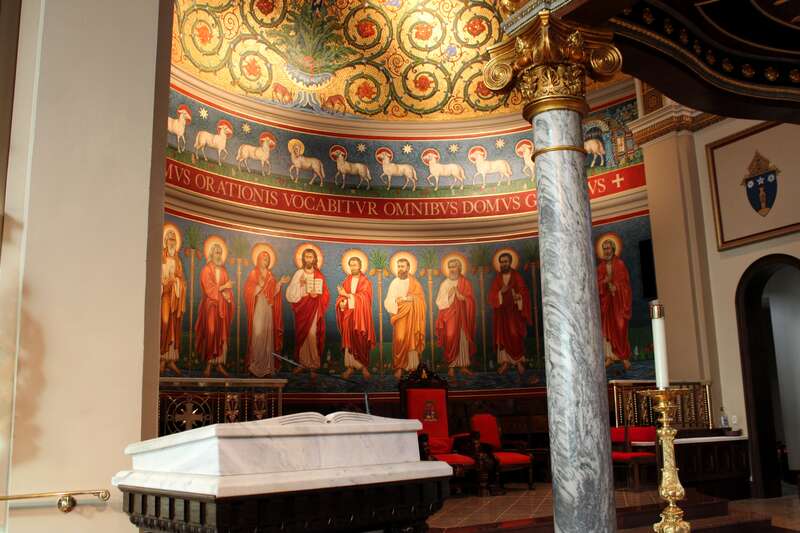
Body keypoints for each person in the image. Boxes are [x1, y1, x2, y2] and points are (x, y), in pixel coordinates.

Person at [243, 250, 289, 377]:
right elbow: (247, 290)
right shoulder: (254, 273)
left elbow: (273, 292)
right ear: (258, 259)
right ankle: (255, 365)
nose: (266, 261)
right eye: (264, 258)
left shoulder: (270, 275)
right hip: (258, 306)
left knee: (268, 336)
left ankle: (267, 367)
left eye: (268, 259)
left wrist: (280, 283)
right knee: (257, 334)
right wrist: (258, 288)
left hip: (268, 308)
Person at [285, 248, 330, 378]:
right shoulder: (299, 273)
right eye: (306, 257)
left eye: (311, 257)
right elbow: (290, 294)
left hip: (314, 309)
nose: (309, 259)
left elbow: (326, 294)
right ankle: (302, 363)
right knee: (302, 336)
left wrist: (317, 296)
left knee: (312, 335)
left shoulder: (319, 275)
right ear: (303, 259)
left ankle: (313, 365)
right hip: (302, 309)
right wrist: (301, 287)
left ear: (314, 259)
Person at [488, 252, 531, 374]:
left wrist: (519, 296)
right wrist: (500, 292)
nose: (503, 264)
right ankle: (505, 362)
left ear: (510, 262)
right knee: (502, 336)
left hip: (514, 313)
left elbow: (524, 292)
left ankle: (518, 362)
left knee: (514, 334)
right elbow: (491, 296)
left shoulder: (516, 276)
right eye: (501, 262)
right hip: (501, 314)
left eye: (505, 261)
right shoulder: (497, 279)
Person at [195, 243, 233, 377]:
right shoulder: (206, 269)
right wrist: (223, 288)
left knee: (221, 334)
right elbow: (209, 289)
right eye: (216, 252)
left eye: (220, 252)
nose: (218, 255)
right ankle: (209, 364)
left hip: (221, 307)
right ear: (211, 254)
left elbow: (228, 289)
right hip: (210, 307)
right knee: (211, 332)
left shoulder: (224, 271)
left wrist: (229, 296)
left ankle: (219, 364)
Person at [384, 258, 426, 380]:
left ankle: (413, 367)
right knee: (400, 339)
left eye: (402, 266)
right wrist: (397, 302)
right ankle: (399, 367)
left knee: (412, 340)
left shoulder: (415, 283)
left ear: (408, 268)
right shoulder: (394, 283)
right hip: (400, 315)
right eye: (399, 266)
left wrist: (408, 299)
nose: (400, 269)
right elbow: (388, 301)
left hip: (413, 316)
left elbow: (421, 300)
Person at [435, 259, 476, 378]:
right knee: (450, 337)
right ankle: (451, 367)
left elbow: (471, 300)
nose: (452, 269)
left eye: (454, 267)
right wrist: (449, 295)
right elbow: (439, 302)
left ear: (459, 268)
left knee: (463, 338)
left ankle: (463, 366)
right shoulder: (445, 283)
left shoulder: (465, 282)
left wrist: (460, 295)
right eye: (450, 267)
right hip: (449, 316)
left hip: (463, 317)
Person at [336, 256, 375, 379]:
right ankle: (350, 367)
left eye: (355, 265)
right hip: (348, 316)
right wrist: (341, 304)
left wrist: (346, 295)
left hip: (361, 318)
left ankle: (363, 367)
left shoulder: (365, 282)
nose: (353, 267)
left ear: (360, 266)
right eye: (351, 265)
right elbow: (341, 298)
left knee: (360, 339)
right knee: (349, 341)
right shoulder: (346, 281)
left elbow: (365, 298)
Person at [597, 239, 633, 370]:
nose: (606, 251)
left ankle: (623, 357)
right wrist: (604, 283)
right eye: (604, 248)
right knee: (606, 329)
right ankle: (609, 357)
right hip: (606, 305)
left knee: (620, 327)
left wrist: (616, 287)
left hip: (618, 303)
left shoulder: (620, 264)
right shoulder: (600, 267)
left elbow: (626, 285)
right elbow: (597, 285)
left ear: (613, 249)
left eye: (608, 248)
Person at [160, 229, 185, 376]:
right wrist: (164, 284)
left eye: (174, 239)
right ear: (165, 241)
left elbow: (181, 279)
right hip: (164, 297)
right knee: (164, 324)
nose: (172, 242)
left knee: (174, 328)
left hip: (175, 298)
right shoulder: (160, 258)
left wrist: (176, 282)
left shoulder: (177, 261)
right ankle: (161, 359)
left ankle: (171, 360)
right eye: (169, 239)